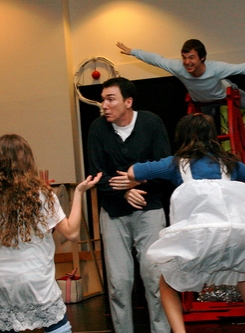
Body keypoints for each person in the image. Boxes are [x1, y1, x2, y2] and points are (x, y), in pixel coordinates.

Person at [124, 113, 245, 333]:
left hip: (199, 240)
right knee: (243, 269)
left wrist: (140, 177)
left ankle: (180, 331)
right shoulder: (230, 163)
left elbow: (133, 171)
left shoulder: (176, 164)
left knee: (166, 282)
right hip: (232, 235)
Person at [0, 134, 101, 333]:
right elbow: (72, 233)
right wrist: (78, 193)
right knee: (56, 327)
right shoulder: (42, 194)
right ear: (27, 161)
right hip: (36, 279)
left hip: (4, 282)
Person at [87, 77, 171, 333]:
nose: (104, 105)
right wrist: (123, 194)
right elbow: (96, 177)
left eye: (110, 99)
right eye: (103, 99)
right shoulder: (97, 129)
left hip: (150, 209)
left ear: (128, 101)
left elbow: (166, 167)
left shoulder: (151, 123)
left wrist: (135, 184)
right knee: (119, 284)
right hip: (114, 213)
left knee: (154, 280)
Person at [116, 39, 245, 127]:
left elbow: (244, 68)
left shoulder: (216, 68)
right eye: (184, 58)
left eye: (192, 58)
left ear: (202, 58)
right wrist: (133, 51)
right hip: (203, 102)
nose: (187, 62)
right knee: (203, 125)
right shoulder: (178, 67)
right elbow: (155, 59)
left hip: (225, 93)